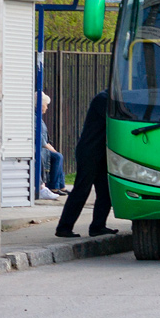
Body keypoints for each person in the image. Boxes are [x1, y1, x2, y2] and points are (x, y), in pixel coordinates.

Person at [54, 91, 115, 238]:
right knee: (82, 189)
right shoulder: (104, 99)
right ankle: (64, 227)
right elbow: (114, 118)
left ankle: (98, 226)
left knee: (106, 191)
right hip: (90, 151)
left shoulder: (110, 98)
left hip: (101, 151)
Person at [36, 91, 64, 199]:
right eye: (46, 105)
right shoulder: (36, 118)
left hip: (43, 147)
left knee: (58, 156)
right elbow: (41, 139)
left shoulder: (40, 119)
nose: (47, 108)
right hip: (40, 148)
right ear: (42, 105)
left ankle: (60, 186)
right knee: (57, 156)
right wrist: (51, 148)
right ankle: (54, 186)